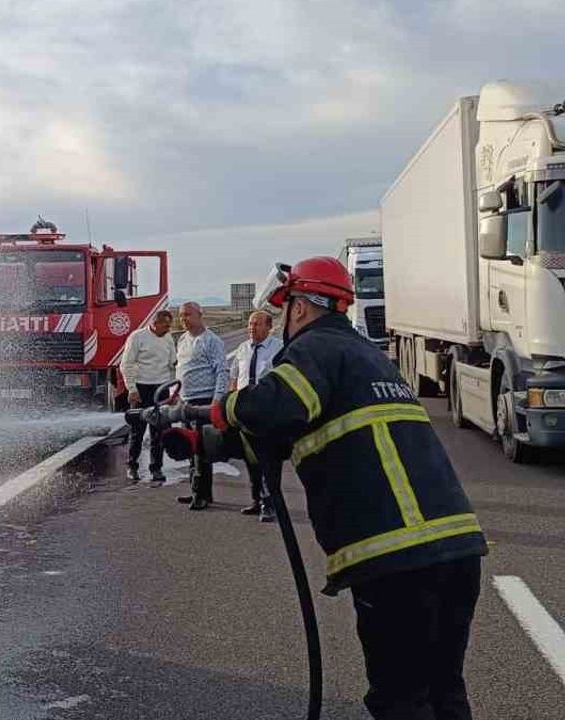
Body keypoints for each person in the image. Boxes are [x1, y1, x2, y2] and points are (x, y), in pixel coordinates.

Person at [179, 257, 487, 720]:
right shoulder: (367, 357)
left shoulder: (314, 349)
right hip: (456, 550)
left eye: (285, 309)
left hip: (396, 559)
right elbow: (286, 435)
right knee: (443, 692)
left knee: (400, 701)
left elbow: (276, 405)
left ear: (300, 307)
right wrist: (208, 441)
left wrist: (225, 408)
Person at [173, 302, 228, 510]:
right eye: (181, 315)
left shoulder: (211, 341)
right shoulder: (182, 340)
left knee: (201, 450)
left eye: (188, 315)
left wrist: (217, 400)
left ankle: (202, 494)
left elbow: (222, 371)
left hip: (204, 401)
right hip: (185, 401)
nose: (183, 319)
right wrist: (175, 396)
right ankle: (196, 490)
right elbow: (180, 370)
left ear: (199, 315)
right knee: (190, 447)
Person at [229, 310, 283, 521]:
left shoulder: (279, 348)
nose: (252, 328)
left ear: (269, 327)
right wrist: (232, 403)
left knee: (270, 459)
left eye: (257, 324)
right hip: (245, 412)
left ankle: (270, 504)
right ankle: (256, 499)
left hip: (267, 412)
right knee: (251, 459)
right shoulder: (243, 348)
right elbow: (234, 376)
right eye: (250, 324)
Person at [119, 309, 177, 485]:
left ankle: (156, 468)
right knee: (138, 430)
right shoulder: (137, 337)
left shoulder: (168, 338)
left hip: (161, 388)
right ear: (154, 323)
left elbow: (172, 364)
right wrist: (131, 389)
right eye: (165, 326)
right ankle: (132, 466)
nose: (168, 329)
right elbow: (126, 364)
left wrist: (173, 390)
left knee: (158, 431)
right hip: (141, 388)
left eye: (169, 326)